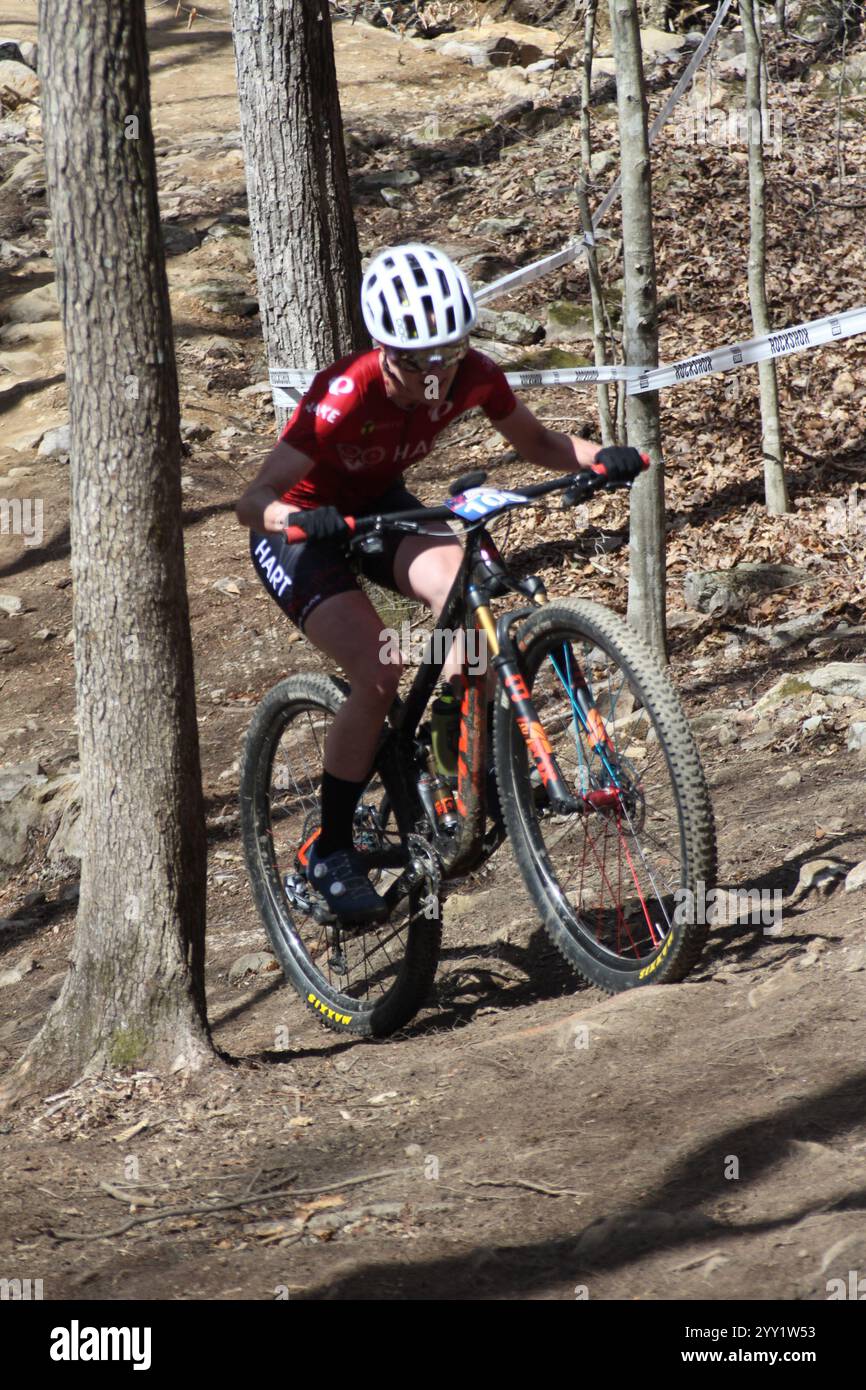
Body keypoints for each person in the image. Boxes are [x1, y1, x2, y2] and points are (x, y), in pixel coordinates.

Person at [236, 242, 644, 923]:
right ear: (381, 347)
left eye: (446, 356)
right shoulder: (346, 392)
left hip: (382, 506)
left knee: (470, 602)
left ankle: (453, 775)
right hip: (302, 532)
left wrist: (603, 458)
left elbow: (537, 443)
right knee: (376, 670)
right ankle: (329, 847)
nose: (432, 376)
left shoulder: (475, 376)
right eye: (415, 360)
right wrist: (300, 519)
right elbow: (253, 501)